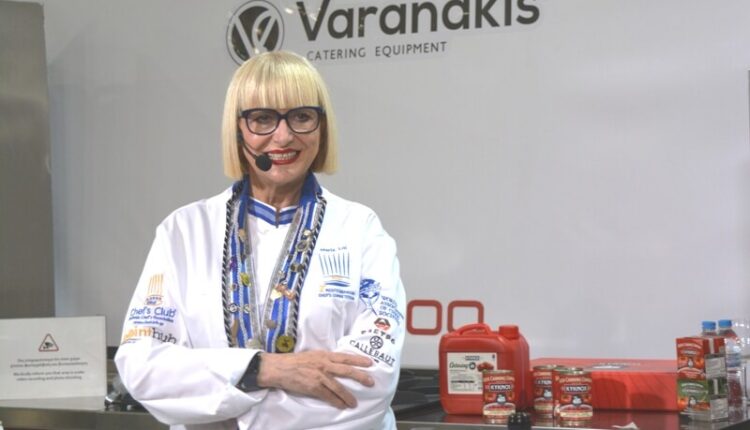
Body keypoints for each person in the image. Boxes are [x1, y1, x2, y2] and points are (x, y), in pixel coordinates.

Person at [115, 50, 406, 430]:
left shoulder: (360, 229)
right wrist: (263, 369)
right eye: (263, 119)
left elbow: (369, 380)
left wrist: (223, 401)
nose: (283, 136)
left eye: (302, 117)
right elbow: (142, 367)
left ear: (322, 127)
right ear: (237, 130)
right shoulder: (183, 232)